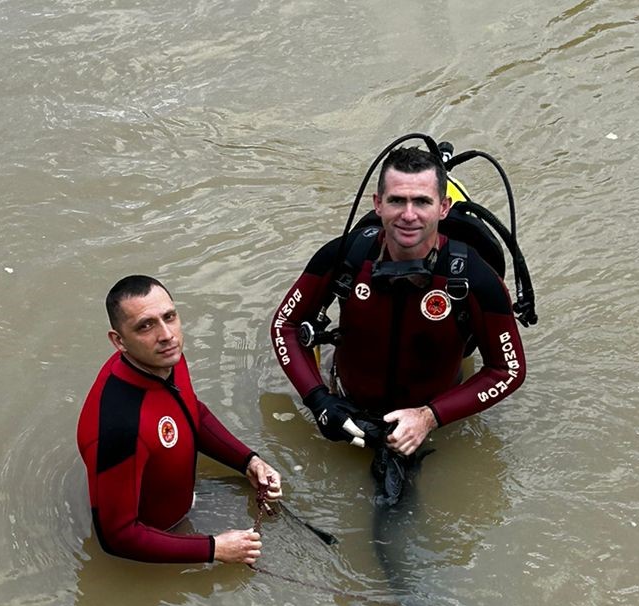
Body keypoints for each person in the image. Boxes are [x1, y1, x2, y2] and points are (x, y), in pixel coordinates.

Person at [271, 146, 526, 460]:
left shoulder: (475, 278)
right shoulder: (345, 256)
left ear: (444, 207)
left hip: (436, 421)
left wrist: (429, 417)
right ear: (378, 204)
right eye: (396, 200)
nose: (408, 215)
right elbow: (286, 325)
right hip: (344, 404)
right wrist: (319, 400)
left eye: (422, 201)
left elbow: (508, 370)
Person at [78, 275, 282, 565]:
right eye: (145, 326)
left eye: (169, 317)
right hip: (155, 545)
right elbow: (116, 536)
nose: (166, 335)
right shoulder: (119, 427)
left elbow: (190, 410)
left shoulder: (165, 358)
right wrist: (214, 549)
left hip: (184, 505)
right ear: (118, 341)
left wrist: (249, 461)